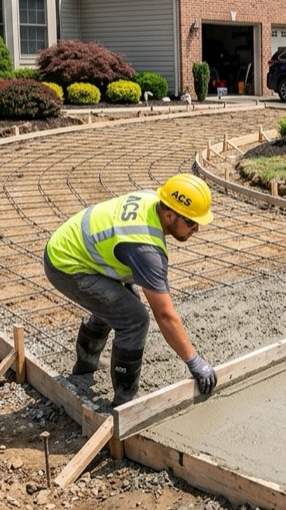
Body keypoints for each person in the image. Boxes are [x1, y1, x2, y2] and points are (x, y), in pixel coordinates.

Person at [44, 173, 218, 407]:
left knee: (117, 305)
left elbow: (121, 236)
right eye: (190, 221)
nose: (196, 228)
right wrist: (194, 361)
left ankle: (84, 368)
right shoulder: (147, 249)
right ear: (169, 214)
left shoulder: (152, 199)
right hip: (66, 265)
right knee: (134, 319)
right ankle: (124, 402)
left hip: (78, 247)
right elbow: (165, 315)